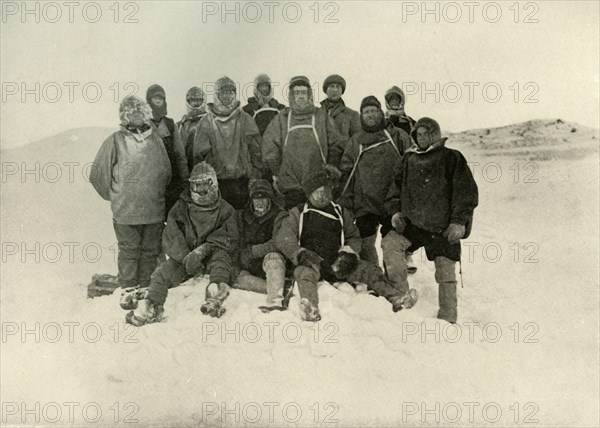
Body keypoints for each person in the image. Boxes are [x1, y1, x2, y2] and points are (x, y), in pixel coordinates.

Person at [275, 166, 415, 322]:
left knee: (369, 270)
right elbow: (284, 237)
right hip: (311, 262)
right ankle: (311, 308)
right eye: (318, 193)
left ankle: (396, 298)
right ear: (309, 194)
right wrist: (299, 253)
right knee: (304, 275)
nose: (323, 197)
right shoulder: (298, 213)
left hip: (337, 263)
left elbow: (353, 236)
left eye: (326, 192)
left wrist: (348, 253)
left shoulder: (340, 212)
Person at [385, 117, 479, 323]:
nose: (422, 138)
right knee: (390, 244)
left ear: (435, 134)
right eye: (418, 134)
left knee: (445, 272)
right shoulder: (408, 159)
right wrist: (395, 213)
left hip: (442, 227)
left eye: (426, 134)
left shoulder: (451, 157)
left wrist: (459, 222)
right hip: (414, 224)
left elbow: (466, 193)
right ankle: (400, 294)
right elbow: (394, 190)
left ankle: (448, 318)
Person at [121, 162, 238, 326]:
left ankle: (215, 297)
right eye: (198, 185)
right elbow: (172, 237)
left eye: (206, 184)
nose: (202, 189)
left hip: (212, 255)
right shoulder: (181, 207)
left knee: (221, 261)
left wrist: (203, 251)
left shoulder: (226, 209)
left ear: (214, 184)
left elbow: (228, 237)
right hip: (186, 258)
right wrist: (186, 257)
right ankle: (152, 306)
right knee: (161, 274)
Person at [90, 95, 171, 290]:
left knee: (150, 252)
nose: (137, 116)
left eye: (140, 112)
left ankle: (145, 288)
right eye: (132, 112)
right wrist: (116, 195)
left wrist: (157, 193)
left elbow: (166, 172)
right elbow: (98, 174)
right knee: (129, 251)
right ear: (124, 116)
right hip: (126, 212)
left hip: (153, 210)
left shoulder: (155, 139)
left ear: (146, 114)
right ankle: (128, 289)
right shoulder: (115, 141)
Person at [338, 96, 412, 277]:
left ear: (380, 112)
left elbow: (411, 163)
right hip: (365, 200)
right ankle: (375, 278)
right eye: (366, 112)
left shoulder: (397, 135)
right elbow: (346, 169)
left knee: (391, 242)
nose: (370, 115)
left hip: (391, 200)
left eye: (373, 111)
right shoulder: (356, 140)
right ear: (361, 115)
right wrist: (346, 199)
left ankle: (394, 278)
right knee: (365, 242)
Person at [262, 75, 347, 209]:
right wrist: (280, 173)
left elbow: (336, 144)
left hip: (318, 184)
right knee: (294, 222)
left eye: (303, 92)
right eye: (297, 93)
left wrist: (330, 168)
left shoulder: (321, 116)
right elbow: (270, 150)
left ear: (309, 95)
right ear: (291, 95)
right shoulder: (282, 119)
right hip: (291, 186)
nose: (300, 96)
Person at [193, 76, 262, 209]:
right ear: (216, 94)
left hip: (243, 182)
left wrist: (255, 176)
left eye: (231, 92)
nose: (227, 96)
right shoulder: (206, 122)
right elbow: (199, 157)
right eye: (223, 92)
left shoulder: (245, 119)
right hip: (216, 185)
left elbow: (256, 151)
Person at [234, 179, 290, 309]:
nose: (260, 202)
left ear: (270, 199)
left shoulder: (279, 215)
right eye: (256, 198)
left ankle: (275, 302)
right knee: (236, 278)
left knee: (274, 258)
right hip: (250, 265)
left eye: (264, 197)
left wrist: (253, 251)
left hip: (270, 259)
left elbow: (279, 242)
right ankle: (279, 286)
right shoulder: (242, 216)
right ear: (251, 200)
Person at [146, 84, 190, 216]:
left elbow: (180, 155)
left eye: (161, 97)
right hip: (150, 183)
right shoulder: (142, 125)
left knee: (173, 217)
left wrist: (185, 179)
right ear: (149, 100)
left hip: (172, 182)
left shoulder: (170, 125)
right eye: (155, 97)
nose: (158, 100)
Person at [320, 74, 361, 139]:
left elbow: (357, 140)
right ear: (326, 90)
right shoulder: (317, 114)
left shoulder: (352, 115)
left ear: (342, 91)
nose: (335, 90)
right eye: (332, 86)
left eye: (338, 87)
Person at [177, 86, 207, 172]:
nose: (196, 103)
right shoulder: (180, 125)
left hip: (204, 171)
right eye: (193, 100)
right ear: (188, 102)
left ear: (203, 101)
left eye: (198, 100)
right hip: (184, 170)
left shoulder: (211, 122)